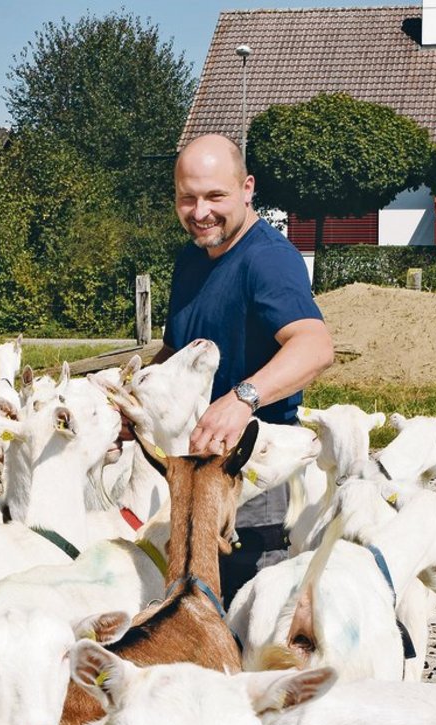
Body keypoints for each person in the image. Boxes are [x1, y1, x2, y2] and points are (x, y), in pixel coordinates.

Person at [156, 133, 334, 601]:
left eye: (215, 196)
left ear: (247, 188)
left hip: (249, 478)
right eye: (187, 198)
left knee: (249, 623)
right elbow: (175, 355)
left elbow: (314, 346)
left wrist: (242, 399)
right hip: (192, 468)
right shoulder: (191, 260)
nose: (200, 213)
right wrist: (130, 395)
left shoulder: (268, 259)